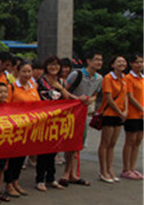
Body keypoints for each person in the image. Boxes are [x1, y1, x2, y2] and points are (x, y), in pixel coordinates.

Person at [60, 51, 103, 186]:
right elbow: (64, 90)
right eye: (96, 59)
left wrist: (91, 100)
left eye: (101, 60)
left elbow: (96, 94)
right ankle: (67, 173)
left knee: (78, 143)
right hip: (70, 113)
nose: (99, 62)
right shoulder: (76, 74)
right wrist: (76, 99)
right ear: (88, 61)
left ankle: (73, 174)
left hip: (83, 114)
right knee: (70, 143)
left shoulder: (99, 78)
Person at [35, 55, 76, 191]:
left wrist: (60, 87)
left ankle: (51, 178)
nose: (54, 67)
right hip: (43, 120)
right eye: (51, 64)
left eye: (56, 65)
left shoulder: (61, 82)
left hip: (57, 121)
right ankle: (40, 179)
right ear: (46, 67)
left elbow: (67, 98)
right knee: (43, 150)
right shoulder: (40, 81)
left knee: (53, 150)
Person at [4, 62, 40, 197]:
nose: (27, 74)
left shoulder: (32, 87)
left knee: (22, 156)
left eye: (29, 71)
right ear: (18, 72)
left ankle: (16, 181)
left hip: (28, 127)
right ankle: (8, 183)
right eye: (24, 71)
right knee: (12, 157)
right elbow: (5, 106)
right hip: (15, 127)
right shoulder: (12, 87)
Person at [97, 55, 129, 183]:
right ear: (112, 65)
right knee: (105, 143)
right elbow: (109, 98)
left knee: (112, 144)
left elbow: (125, 95)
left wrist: (125, 111)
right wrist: (120, 112)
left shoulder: (124, 78)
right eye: (119, 61)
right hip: (109, 114)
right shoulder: (108, 78)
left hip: (120, 114)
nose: (122, 63)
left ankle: (110, 169)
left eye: (123, 61)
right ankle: (103, 170)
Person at [122, 54, 143, 179]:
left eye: (141, 62)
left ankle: (133, 168)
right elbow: (130, 96)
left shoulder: (142, 78)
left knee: (138, 141)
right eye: (137, 62)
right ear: (131, 64)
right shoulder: (129, 78)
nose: (139, 64)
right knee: (130, 141)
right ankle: (126, 168)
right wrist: (141, 108)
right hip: (132, 114)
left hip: (141, 116)